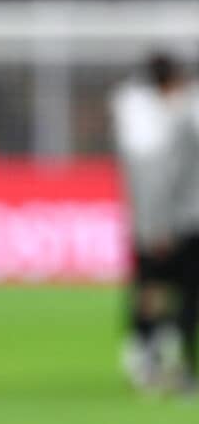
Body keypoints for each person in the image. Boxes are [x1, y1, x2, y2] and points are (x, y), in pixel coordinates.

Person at [111, 52, 199, 394]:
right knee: (163, 289)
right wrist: (154, 224)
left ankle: (155, 355)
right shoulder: (159, 116)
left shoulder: (139, 111)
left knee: (162, 289)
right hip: (172, 221)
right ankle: (151, 355)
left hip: (166, 219)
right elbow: (157, 176)